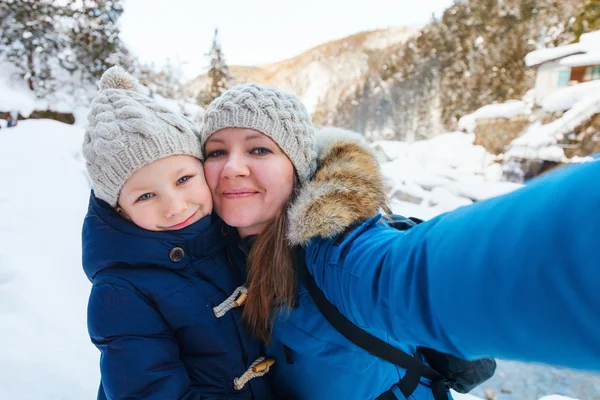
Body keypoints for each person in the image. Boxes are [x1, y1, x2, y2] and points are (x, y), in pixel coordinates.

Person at [199, 83, 600, 400]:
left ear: (297, 167)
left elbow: (412, 277)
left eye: (258, 148)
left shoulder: (334, 249)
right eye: (217, 152)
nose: (233, 168)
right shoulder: (205, 251)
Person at [81, 67, 271, 400]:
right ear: (119, 210)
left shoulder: (232, 233)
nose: (174, 206)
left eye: (183, 180)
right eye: (145, 196)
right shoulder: (122, 292)